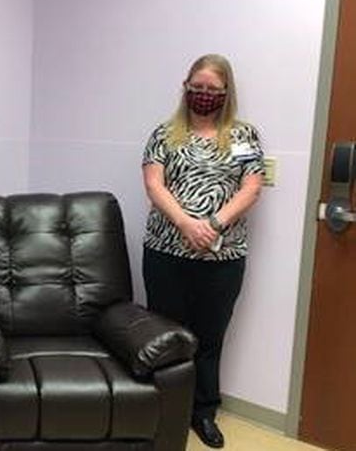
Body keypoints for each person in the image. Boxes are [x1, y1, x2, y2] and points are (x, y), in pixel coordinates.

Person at [141, 54, 264, 449]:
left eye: (213, 89)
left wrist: (212, 224)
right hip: (165, 253)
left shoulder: (244, 136)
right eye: (197, 87)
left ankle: (203, 412)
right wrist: (186, 223)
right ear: (185, 87)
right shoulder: (164, 133)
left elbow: (251, 187)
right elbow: (154, 184)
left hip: (223, 258)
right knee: (166, 335)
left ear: (226, 92)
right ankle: (162, 407)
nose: (204, 95)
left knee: (210, 338)